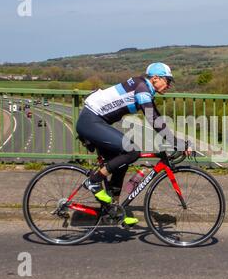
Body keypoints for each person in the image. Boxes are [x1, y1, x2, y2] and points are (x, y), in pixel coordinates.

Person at [76, 62, 191, 226]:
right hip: (91, 121)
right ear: (156, 78)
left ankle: (114, 211)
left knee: (120, 164)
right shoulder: (142, 89)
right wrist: (177, 143)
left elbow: (157, 118)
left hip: (96, 121)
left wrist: (178, 141)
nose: (169, 85)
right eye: (168, 80)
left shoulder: (144, 88)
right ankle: (93, 181)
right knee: (132, 152)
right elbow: (153, 120)